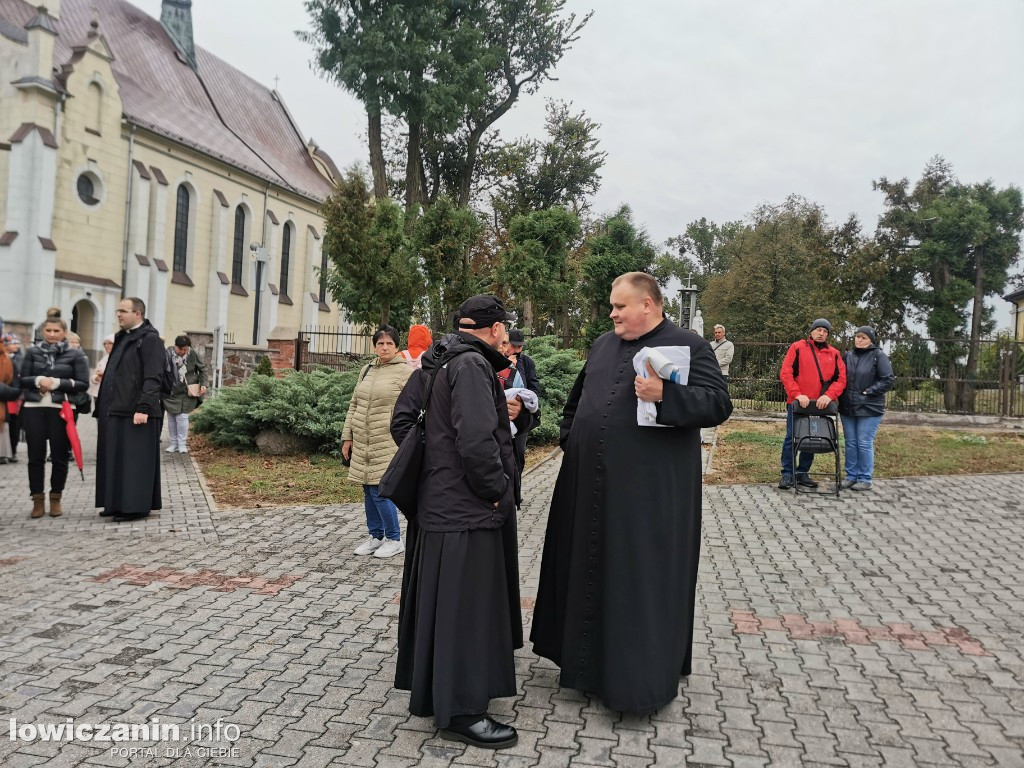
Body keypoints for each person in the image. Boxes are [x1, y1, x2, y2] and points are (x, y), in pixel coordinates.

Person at [530, 272, 733, 714]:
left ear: (648, 305)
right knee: (585, 570)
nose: (613, 313)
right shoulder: (603, 344)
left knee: (634, 580)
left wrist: (666, 395)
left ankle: (635, 682)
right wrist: (571, 436)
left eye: (620, 306)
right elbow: (578, 397)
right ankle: (583, 667)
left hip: (647, 494)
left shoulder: (690, 346)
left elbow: (718, 405)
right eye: (612, 305)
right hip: (588, 483)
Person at [390, 295, 521, 749]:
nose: (507, 334)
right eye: (505, 327)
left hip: (440, 508)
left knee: (446, 608)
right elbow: (478, 443)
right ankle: (462, 712)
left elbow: (403, 421)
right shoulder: (471, 366)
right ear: (497, 328)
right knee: (465, 609)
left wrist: (434, 468)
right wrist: (495, 490)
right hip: (466, 513)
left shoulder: (437, 359)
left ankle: (441, 694)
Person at [342, 324, 413, 559]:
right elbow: (355, 404)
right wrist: (347, 437)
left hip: (387, 440)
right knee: (366, 487)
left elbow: (415, 405)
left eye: (389, 343)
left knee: (380, 490)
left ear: (397, 347)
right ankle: (376, 536)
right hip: (363, 439)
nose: (384, 347)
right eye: (380, 343)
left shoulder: (406, 372)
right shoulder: (366, 370)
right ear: (374, 346)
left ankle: (394, 539)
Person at [95, 297, 165, 522]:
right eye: (118, 310)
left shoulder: (150, 339)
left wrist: (144, 406)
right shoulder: (122, 337)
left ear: (138, 314)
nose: (118, 314)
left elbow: (154, 376)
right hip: (116, 409)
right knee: (114, 459)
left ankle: (134, 507)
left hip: (137, 412)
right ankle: (114, 503)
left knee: (134, 463)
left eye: (123, 311)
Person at [18, 315, 89, 517]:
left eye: (56, 331)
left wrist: (57, 383)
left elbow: (83, 384)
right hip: (34, 407)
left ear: (64, 333)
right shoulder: (32, 352)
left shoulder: (75, 355)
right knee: (35, 456)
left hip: (62, 409)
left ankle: (56, 497)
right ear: (43, 331)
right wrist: (40, 380)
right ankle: (37, 499)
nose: (51, 334)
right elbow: (23, 379)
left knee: (59, 456)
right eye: (48, 330)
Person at [778, 319, 847, 489]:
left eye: (825, 330)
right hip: (798, 403)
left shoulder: (834, 354)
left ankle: (802, 473)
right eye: (818, 329)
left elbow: (841, 380)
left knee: (811, 439)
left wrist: (829, 396)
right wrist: (797, 394)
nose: (821, 333)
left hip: (820, 405)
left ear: (828, 334)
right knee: (791, 438)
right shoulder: (798, 348)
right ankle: (787, 474)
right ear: (811, 332)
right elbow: (786, 373)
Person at [839, 326, 894, 492]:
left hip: (870, 407)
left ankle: (865, 478)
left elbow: (887, 380)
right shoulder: (848, 356)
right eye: (857, 336)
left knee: (863, 442)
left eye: (863, 337)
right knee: (850, 443)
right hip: (848, 407)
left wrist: (869, 391)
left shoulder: (878, 356)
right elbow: (839, 377)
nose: (859, 340)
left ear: (871, 340)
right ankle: (851, 476)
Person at [498, 329, 541, 474]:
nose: (517, 349)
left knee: (519, 455)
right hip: (501, 418)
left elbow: (534, 388)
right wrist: (506, 366)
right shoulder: (498, 359)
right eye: (514, 345)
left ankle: (517, 491)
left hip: (520, 416)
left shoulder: (527, 362)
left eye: (520, 346)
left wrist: (524, 404)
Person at [163, 335, 208, 454]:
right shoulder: (168, 353)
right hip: (171, 391)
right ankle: (173, 444)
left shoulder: (192, 353)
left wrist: (204, 384)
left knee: (182, 417)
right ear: (175, 346)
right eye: (180, 349)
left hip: (187, 390)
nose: (183, 352)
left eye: (185, 349)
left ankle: (182, 444)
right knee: (172, 417)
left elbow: (202, 369)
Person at [3, 333, 24, 462]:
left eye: (17, 343)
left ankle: (13, 451)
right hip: (5, 396)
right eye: (13, 343)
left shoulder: (21, 358)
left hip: (16, 397)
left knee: (15, 426)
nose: (16, 345)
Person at [88, 334, 115, 404]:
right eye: (105, 344)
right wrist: (96, 378)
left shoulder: (120, 358)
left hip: (111, 394)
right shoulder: (104, 358)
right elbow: (94, 375)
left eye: (110, 343)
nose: (106, 345)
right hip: (97, 393)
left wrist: (103, 375)